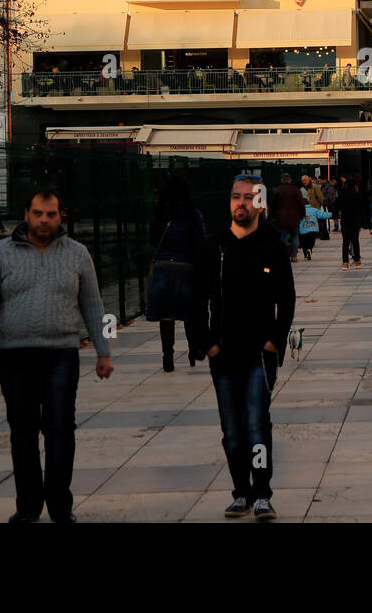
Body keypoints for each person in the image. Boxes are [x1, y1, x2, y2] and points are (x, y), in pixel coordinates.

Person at [0, 187, 113, 524]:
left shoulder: (77, 254)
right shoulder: (0, 254)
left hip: (62, 353)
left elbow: (93, 304)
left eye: (51, 215)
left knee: (61, 427)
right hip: (15, 355)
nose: (44, 221)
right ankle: (28, 505)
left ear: (61, 217)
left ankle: (61, 505)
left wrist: (104, 352)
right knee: (23, 431)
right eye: (38, 214)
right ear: (26, 215)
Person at [195, 175, 295, 520]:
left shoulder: (272, 245)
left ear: (260, 203)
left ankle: (262, 492)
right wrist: (206, 344)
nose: (241, 203)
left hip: (259, 353)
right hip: (223, 352)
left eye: (248, 198)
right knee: (232, 429)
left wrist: (275, 341)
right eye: (235, 197)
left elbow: (287, 298)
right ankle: (241, 491)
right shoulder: (214, 247)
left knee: (256, 424)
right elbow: (195, 301)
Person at [148, 176, 205, 372]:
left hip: (163, 265)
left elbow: (153, 240)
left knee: (166, 315)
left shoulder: (158, 213)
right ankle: (192, 351)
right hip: (186, 265)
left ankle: (168, 357)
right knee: (188, 312)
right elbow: (200, 242)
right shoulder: (193, 214)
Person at [268, 173, 307, 262]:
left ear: (282, 180)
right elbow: (301, 204)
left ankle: (284, 256)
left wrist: (272, 216)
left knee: (283, 237)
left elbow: (272, 205)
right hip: (294, 217)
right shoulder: (296, 190)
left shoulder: (277, 190)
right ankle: (294, 256)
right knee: (294, 236)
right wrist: (302, 215)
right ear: (290, 180)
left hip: (281, 218)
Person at [338, 176, 366, 268]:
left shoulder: (342, 194)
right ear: (355, 186)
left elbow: (337, 207)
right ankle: (357, 260)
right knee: (355, 241)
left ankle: (345, 262)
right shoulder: (357, 195)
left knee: (345, 242)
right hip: (355, 221)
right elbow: (362, 208)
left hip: (345, 221)